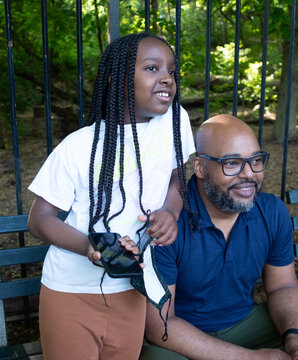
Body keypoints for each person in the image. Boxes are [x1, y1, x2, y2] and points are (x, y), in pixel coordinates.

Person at [27, 32, 195, 359]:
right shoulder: (79, 146)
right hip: (71, 293)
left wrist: (171, 212)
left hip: (131, 289)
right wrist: (90, 246)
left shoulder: (176, 120)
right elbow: (39, 220)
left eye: (171, 70)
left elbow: (178, 179)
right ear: (116, 79)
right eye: (151, 68)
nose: (167, 78)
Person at [140, 114, 298, 360]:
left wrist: (294, 340)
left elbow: (282, 286)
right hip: (183, 336)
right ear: (199, 167)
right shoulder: (168, 222)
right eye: (232, 163)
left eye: (255, 160)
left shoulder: (272, 212)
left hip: (246, 324)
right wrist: (250, 358)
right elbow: (160, 324)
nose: (249, 174)